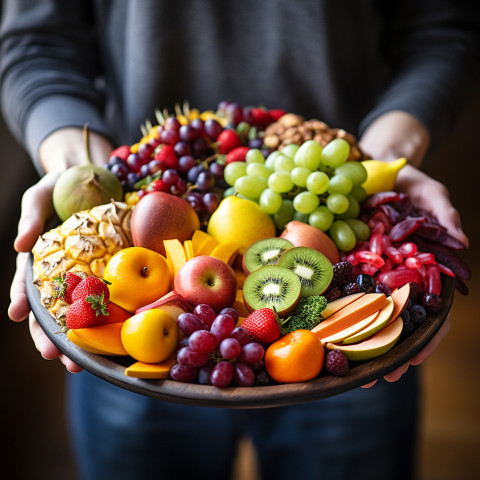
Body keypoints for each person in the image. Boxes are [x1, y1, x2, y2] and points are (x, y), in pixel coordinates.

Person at [2, 1, 478, 479]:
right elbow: (36, 42)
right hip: (126, 328)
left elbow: (442, 30)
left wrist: (387, 157)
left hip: (344, 349)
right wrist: (78, 175)